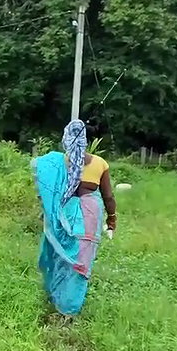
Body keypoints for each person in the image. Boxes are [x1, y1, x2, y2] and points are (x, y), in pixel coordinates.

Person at [32, 119, 117, 318]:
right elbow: (108, 196)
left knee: (60, 256)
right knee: (81, 262)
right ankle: (69, 310)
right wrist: (112, 218)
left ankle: (57, 298)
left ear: (67, 138)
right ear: (86, 140)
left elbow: (45, 190)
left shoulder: (58, 162)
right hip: (89, 218)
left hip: (64, 217)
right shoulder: (100, 163)